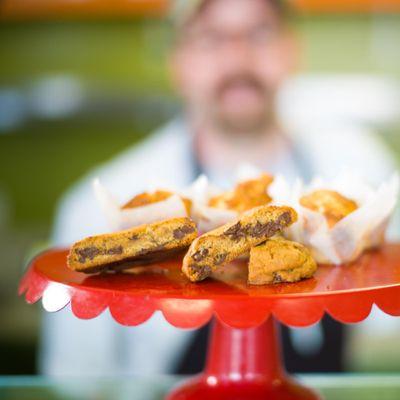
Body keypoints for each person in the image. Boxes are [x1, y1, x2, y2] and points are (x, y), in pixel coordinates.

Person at [41, 0, 397, 375]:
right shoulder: (101, 207)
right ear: (176, 60)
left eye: (260, 32)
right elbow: (75, 380)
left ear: (292, 49)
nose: (238, 57)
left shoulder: (361, 175)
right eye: (210, 38)